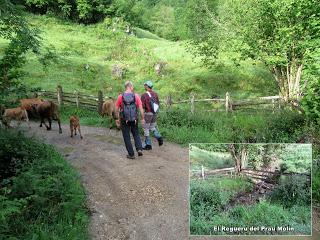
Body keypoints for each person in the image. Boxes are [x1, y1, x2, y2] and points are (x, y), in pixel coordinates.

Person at [115, 81, 145, 159]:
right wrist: (142, 118)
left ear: (125, 87)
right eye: (132, 87)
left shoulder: (120, 97)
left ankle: (131, 154)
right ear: (131, 87)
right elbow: (141, 109)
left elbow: (116, 109)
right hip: (134, 119)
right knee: (136, 134)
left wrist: (117, 119)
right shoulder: (136, 96)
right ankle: (139, 149)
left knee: (126, 136)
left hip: (124, 119)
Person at [141, 80, 163, 150]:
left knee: (146, 128)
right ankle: (159, 136)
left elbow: (143, 107)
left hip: (147, 114)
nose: (144, 86)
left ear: (147, 86)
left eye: (145, 85)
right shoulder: (155, 94)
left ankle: (148, 145)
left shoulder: (144, 95)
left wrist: (142, 117)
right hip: (154, 114)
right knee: (152, 127)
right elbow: (158, 104)